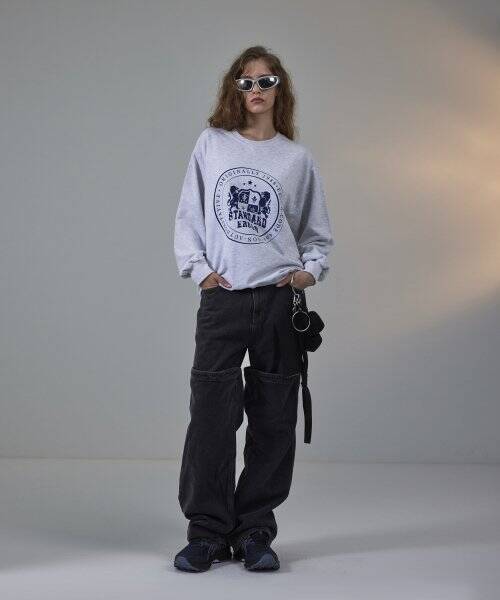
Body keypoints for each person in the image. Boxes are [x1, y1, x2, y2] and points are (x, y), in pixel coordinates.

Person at [173, 45, 334, 572]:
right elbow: (189, 214)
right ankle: (207, 532)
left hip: (279, 300)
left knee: (274, 419)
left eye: (266, 81)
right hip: (223, 299)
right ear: (234, 89)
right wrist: (200, 271)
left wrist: (310, 270)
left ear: (280, 88)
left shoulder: (296, 159)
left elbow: (315, 233)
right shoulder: (213, 144)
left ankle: (255, 530)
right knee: (211, 417)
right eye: (246, 81)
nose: (256, 89)